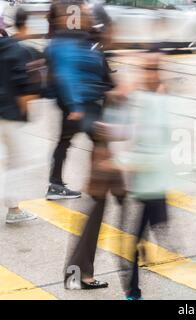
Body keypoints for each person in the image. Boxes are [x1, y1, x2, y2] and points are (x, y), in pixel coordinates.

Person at [116, 54, 172, 301]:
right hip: (141, 174)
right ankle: (133, 290)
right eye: (146, 69)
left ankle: (142, 257)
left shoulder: (160, 96)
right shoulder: (138, 97)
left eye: (153, 69)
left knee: (155, 224)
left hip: (155, 174)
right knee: (132, 236)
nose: (149, 74)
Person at [45, 0, 113, 200]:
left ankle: (56, 184)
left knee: (65, 141)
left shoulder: (67, 39)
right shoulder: (67, 42)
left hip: (81, 99)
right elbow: (66, 74)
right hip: (81, 102)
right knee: (100, 140)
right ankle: (101, 184)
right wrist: (75, 105)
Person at [0, 9, 38, 224]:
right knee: (18, 162)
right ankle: (13, 210)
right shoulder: (19, 50)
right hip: (9, 115)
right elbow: (22, 85)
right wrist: (23, 112)